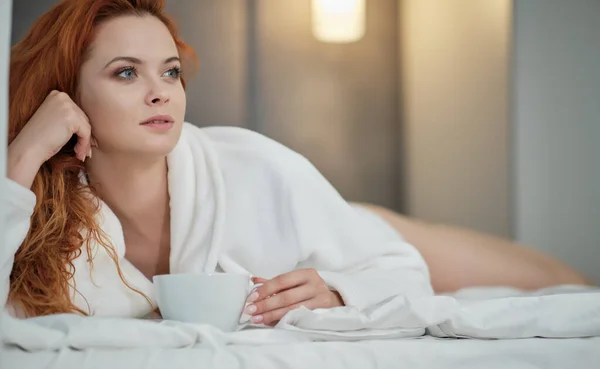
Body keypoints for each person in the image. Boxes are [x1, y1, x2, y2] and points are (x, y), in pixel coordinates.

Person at [2, 0, 590, 323]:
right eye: (126, 72)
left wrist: (338, 289)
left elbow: (399, 269)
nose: (161, 92)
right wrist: (24, 154)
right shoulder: (38, 207)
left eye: (170, 71)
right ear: (67, 95)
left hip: (339, 226)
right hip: (316, 221)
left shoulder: (255, 165)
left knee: (566, 286)